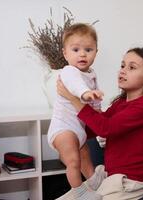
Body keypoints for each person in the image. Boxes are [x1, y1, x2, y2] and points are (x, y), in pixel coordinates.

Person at [57, 47, 143, 200]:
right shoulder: (120, 103)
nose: (123, 71)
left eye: (131, 67)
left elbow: (105, 128)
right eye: (122, 65)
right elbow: (95, 128)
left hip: (128, 183)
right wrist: (68, 130)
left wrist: (74, 100)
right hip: (110, 177)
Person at [47, 23, 106, 200]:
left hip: (78, 129)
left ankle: (93, 180)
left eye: (88, 49)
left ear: (96, 51)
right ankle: (79, 192)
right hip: (62, 128)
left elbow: (95, 106)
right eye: (76, 49)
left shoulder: (92, 75)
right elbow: (75, 85)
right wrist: (86, 94)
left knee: (84, 156)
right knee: (73, 161)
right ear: (65, 53)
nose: (82, 54)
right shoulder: (69, 71)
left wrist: (100, 117)